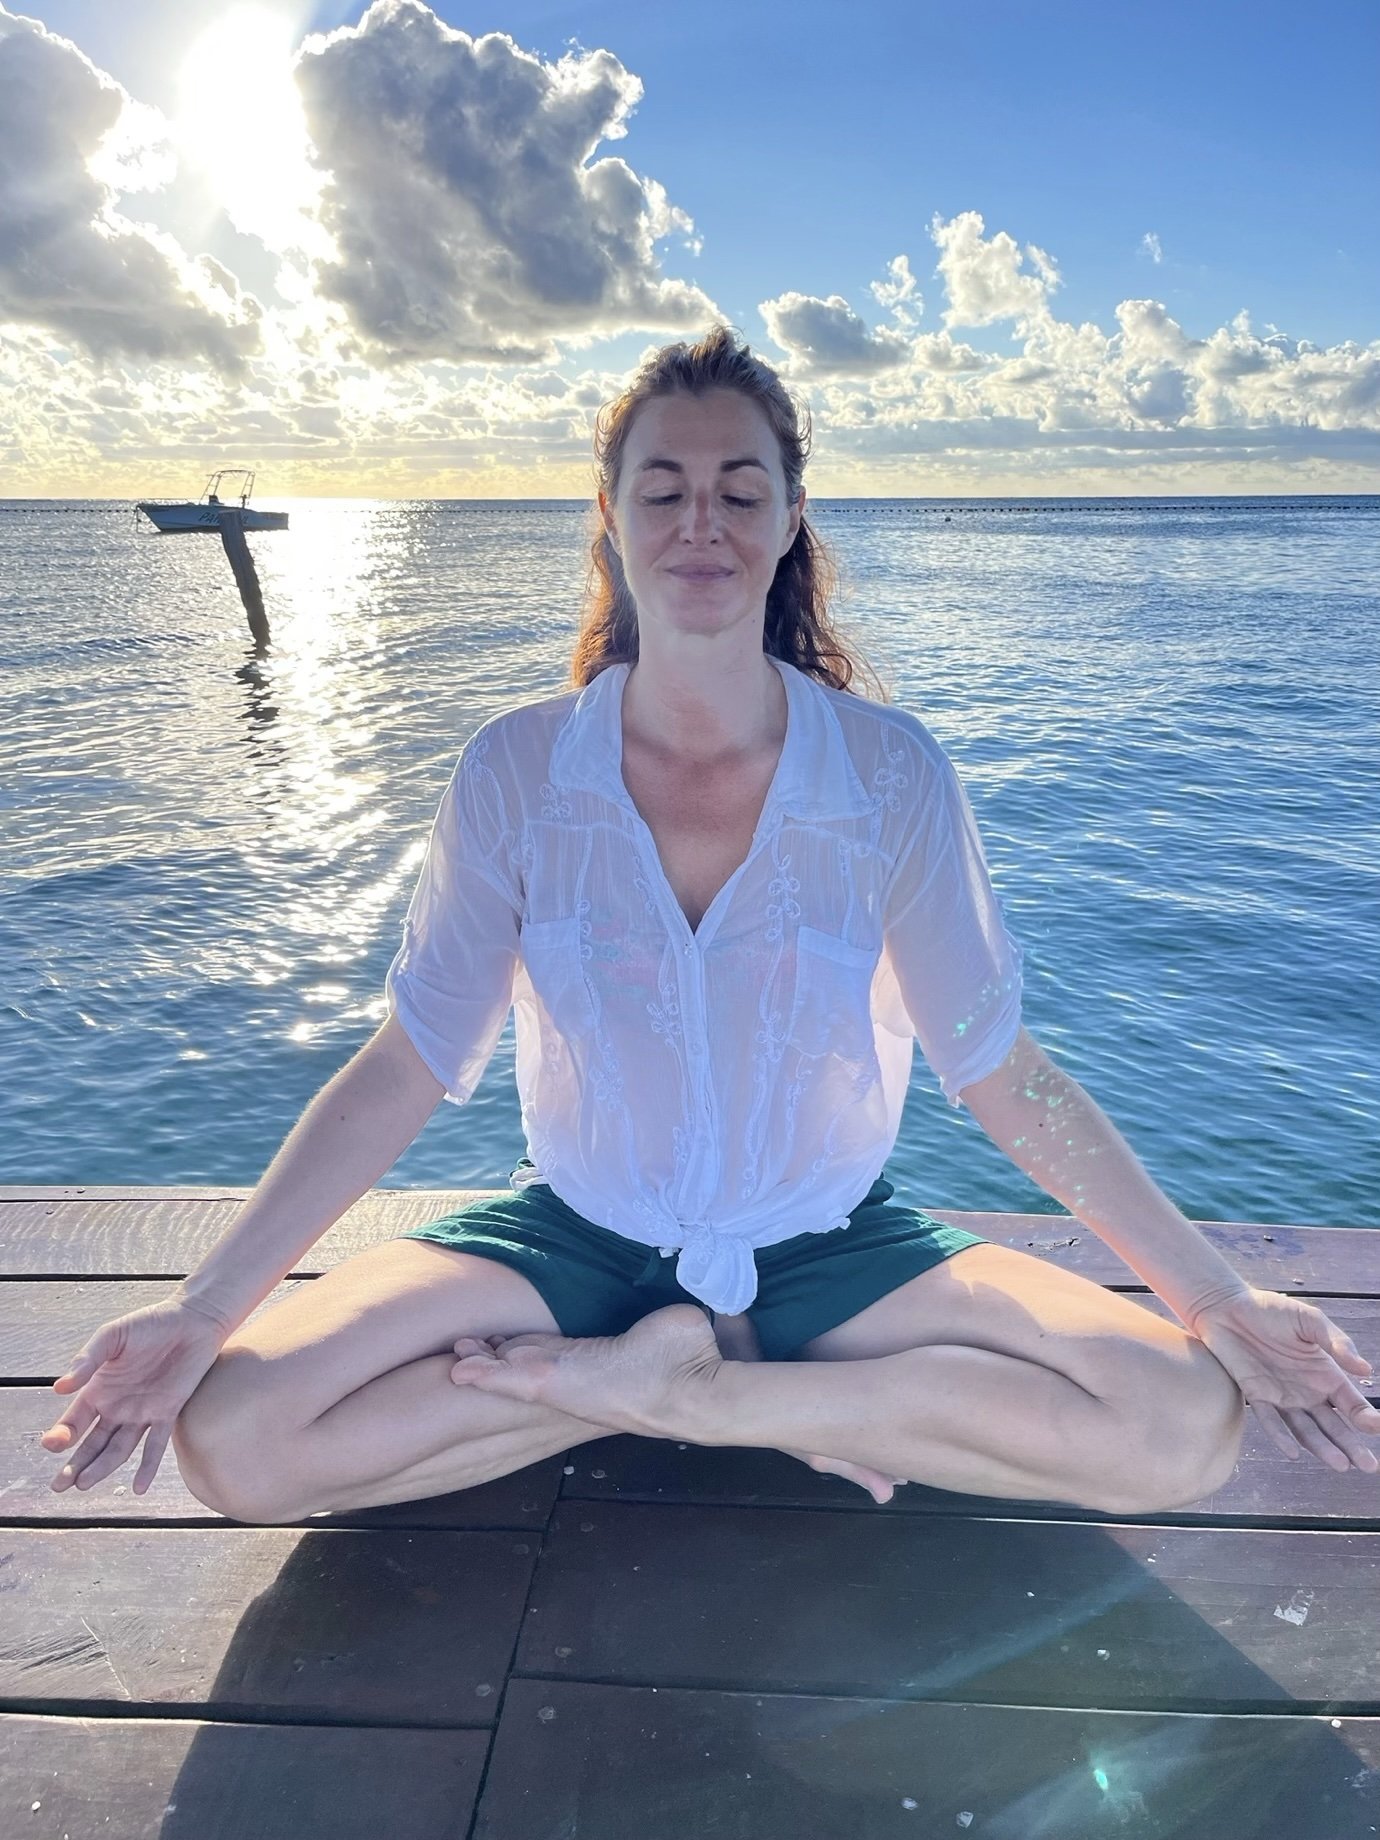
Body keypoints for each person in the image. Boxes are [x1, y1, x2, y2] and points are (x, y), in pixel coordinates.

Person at [41, 327, 1379, 1521]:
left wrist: (1215, 1300)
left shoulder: (889, 775)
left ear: (790, 516)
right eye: (663, 490)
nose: (703, 524)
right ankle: (734, 1389)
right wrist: (206, 1309)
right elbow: (408, 1061)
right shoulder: (513, 773)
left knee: (1182, 1423)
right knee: (236, 1437)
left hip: (832, 1243)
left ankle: (693, 1394)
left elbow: (1001, 1071)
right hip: (577, 1239)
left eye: (741, 490)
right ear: (611, 520)